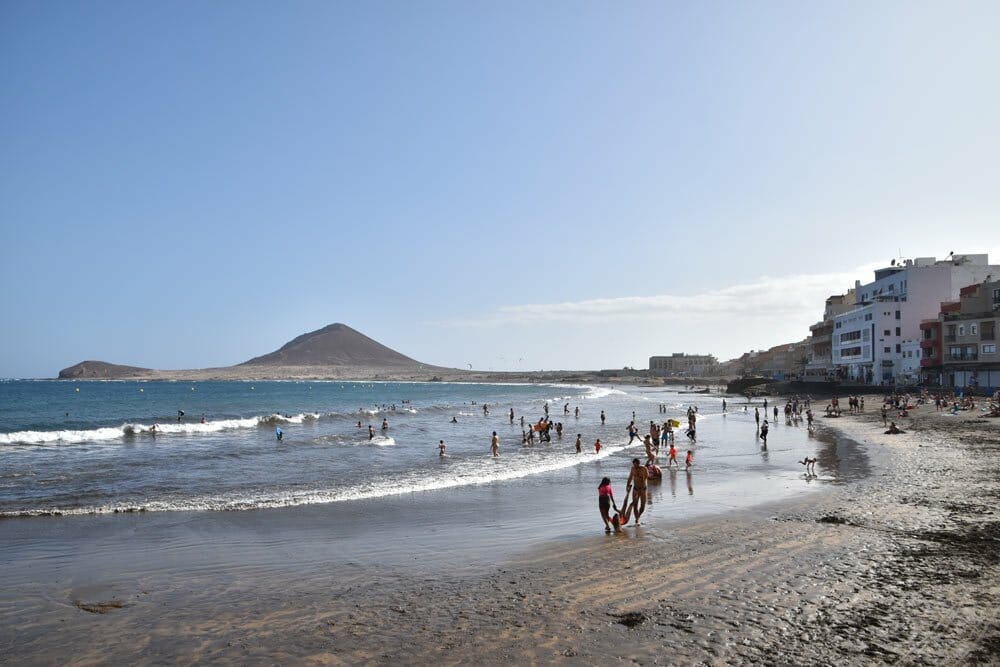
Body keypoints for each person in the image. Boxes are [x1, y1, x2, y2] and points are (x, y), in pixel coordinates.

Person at [625, 458, 649, 526]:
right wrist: (627, 485)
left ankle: (638, 516)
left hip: (643, 489)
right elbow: (630, 477)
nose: (635, 467)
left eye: (636, 465)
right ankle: (637, 519)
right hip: (635, 489)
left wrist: (641, 479)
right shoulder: (632, 469)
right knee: (635, 505)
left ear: (639, 463)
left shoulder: (644, 469)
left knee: (642, 506)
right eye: (634, 465)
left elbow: (646, 478)